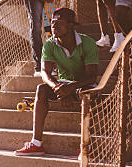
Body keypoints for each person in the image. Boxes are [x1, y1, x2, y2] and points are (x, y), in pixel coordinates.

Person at [14, 8, 99, 156]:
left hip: (83, 85)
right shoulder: (49, 44)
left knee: (88, 94)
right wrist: (58, 89)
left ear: (71, 25)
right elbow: (45, 73)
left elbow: (91, 77)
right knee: (41, 89)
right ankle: (36, 144)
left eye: (59, 23)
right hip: (62, 84)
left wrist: (69, 88)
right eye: (52, 23)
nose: (54, 26)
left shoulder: (88, 43)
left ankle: (86, 147)